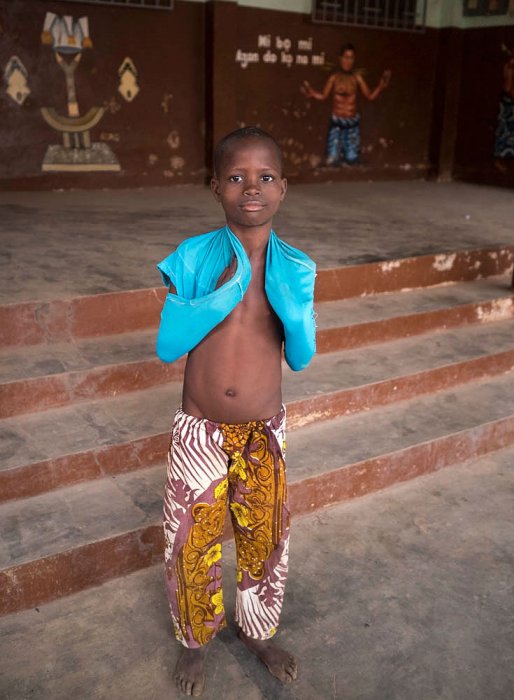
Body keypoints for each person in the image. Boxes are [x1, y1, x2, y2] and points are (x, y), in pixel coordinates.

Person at [155, 126, 316, 697]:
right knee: (190, 542)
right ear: (216, 187)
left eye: (265, 177)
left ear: (283, 188)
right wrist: (216, 295)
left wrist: (293, 311)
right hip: (200, 429)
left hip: (262, 432)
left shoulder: (295, 267)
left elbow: (300, 356)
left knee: (265, 538)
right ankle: (193, 640)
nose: (253, 188)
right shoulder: (194, 257)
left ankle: (257, 632)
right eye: (237, 177)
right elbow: (168, 347)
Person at [301, 42, 391, 166]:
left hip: (352, 123)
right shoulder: (334, 78)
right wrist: (312, 93)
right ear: (341, 58)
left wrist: (380, 87)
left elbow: (369, 96)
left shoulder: (357, 78)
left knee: (352, 158)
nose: (348, 61)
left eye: (351, 58)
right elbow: (323, 96)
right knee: (332, 159)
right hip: (337, 122)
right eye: (346, 57)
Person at [494, 35, 514, 168]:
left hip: (513, 100)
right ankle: (499, 159)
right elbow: (508, 84)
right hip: (509, 100)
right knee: (505, 131)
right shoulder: (510, 65)